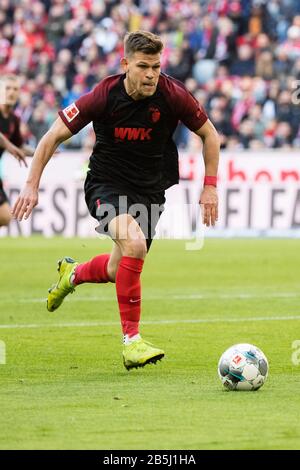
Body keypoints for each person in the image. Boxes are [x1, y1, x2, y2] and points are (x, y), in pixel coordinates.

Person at [12, 31, 219, 370]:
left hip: (150, 190)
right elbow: (52, 137)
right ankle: (131, 342)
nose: (151, 74)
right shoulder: (103, 96)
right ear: (125, 64)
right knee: (134, 245)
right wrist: (31, 185)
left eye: (156, 66)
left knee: (115, 268)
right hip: (106, 185)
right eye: (143, 66)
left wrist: (210, 186)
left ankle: (72, 274)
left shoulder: (172, 94)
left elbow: (210, 134)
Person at [0, 74, 33, 227]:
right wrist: (9, 146)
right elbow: (7, 143)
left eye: (15, 89)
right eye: (7, 88)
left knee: (5, 216)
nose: (11, 92)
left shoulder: (14, 119)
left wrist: (42, 151)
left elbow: (19, 147)